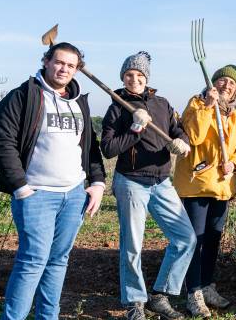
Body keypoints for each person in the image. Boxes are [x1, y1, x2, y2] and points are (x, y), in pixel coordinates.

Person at [0, 42, 106, 320]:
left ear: (77, 70)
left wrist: (98, 183)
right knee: (32, 261)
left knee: (57, 261)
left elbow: (89, 147)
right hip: (36, 194)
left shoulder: (79, 102)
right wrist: (21, 186)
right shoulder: (23, 96)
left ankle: (47, 317)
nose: (64, 68)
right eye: (59, 62)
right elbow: (1, 142)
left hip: (74, 194)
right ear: (46, 61)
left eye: (71, 65)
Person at [100, 51, 195, 320]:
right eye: (129, 74)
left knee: (185, 238)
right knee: (133, 245)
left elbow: (176, 129)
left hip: (162, 181)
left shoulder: (162, 103)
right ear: (123, 77)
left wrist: (182, 141)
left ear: (146, 78)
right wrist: (135, 129)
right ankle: (134, 302)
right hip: (131, 182)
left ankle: (160, 295)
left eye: (139, 75)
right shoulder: (117, 107)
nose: (134, 79)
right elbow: (108, 148)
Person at [173, 64, 236, 318]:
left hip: (223, 186)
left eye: (232, 84)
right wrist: (207, 106)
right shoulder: (196, 104)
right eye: (223, 81)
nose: (227, 86)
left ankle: (207, 286)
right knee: (195, 240)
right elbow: (192, 137)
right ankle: (192, 292)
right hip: (196, 184)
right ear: (213, 84)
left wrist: (234, 163)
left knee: (212, 240)